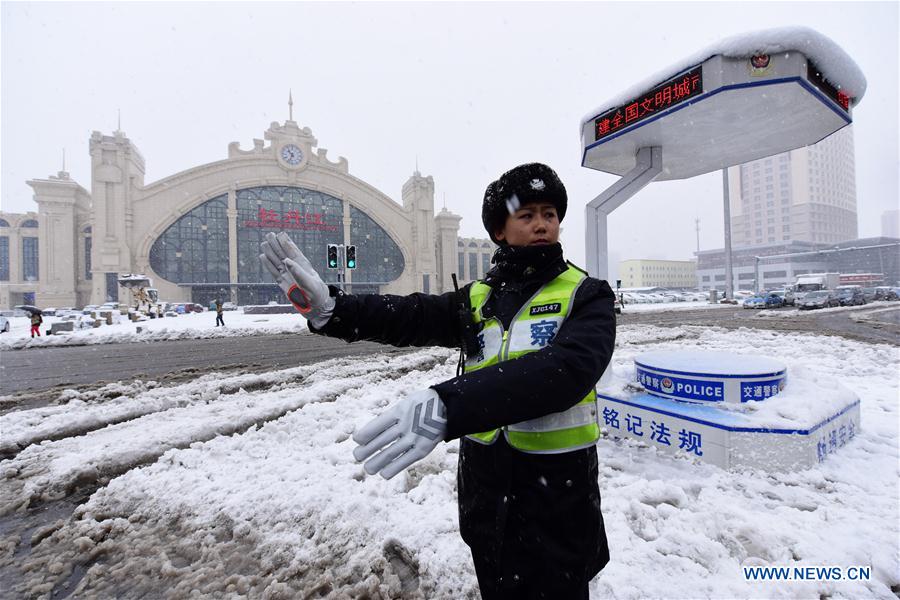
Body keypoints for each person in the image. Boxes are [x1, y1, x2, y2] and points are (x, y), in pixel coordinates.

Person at [260, 163, 616, 599]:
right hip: (488, 500)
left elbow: (566, 372)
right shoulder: (479, 298)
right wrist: (333, 309)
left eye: (550, 214)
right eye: (527, 215)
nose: (542, 224)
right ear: (500, 231)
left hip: (557, 501)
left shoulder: (587, 294)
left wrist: (450, 404)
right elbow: (409, 315)